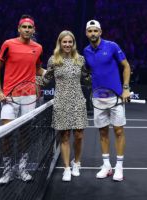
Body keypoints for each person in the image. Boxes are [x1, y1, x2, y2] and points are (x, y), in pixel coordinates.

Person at [0, 14, 46, 185]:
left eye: (30, 27)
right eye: (24, 27)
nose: (27, 30)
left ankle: (21, 168)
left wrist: (54, 73)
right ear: (19, 28)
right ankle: (7, 170)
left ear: (34, 30)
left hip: (29, 96)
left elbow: (37, 69)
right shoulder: (8, 44)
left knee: (25, 134)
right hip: (9, 96)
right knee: (6, 134)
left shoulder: (38, 48)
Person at [83, 20, 131, 181]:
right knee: (102, 132)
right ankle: (106, 166)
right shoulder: (86, 51)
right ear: (86, 34)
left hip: (116, 97)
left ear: (100, 32)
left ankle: (119, 167)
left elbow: (126, 66)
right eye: (90, 31)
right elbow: (90, 72)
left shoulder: (112, 46)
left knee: (118, 131)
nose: (93, 34)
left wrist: (125, 88)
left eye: (95, 31)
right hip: (98, 98)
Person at [43, 30, 87, 182]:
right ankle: (66, 168)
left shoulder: (80, 59)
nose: (67, 44)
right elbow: (46, 79)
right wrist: (29, 78)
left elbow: (88, 78)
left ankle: (77, 163)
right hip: (61, 101)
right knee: (65, 136)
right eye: (65, 42)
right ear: (60, 43)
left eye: (70, 42)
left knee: (79, 135)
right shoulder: (53, 60)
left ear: (73, 43)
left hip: (78, 101)